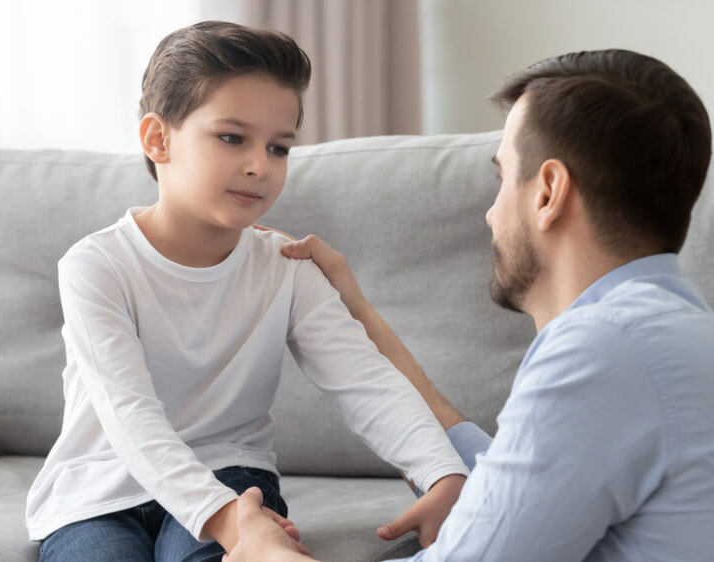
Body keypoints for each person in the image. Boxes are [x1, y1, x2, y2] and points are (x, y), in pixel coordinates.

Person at [224, 49, 714, 561]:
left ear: (547, 192)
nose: (491, 214)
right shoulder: (686, 339)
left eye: (501, 179)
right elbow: (512, 487)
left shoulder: (607, 350)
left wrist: (262, 549)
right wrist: (356, 310)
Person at [24, 21, 469, 562]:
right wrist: (235, 526)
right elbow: (130, 417)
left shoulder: (288, 268)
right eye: (232, 137)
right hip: (98, 491)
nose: (260, 165)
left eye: (279, 147)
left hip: (234, 476)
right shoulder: (95, 267)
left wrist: (442, 473)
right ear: (158, 139)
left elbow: (366, 382)